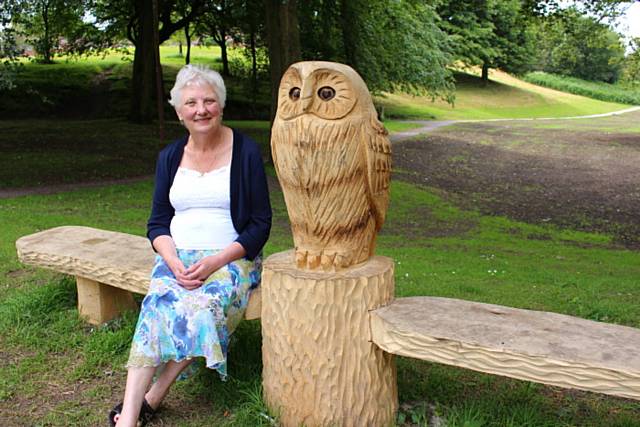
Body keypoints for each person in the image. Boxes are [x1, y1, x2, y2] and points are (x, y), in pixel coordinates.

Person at [109, 64, 272, 427]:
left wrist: (216, 261)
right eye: (192, 103)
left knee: (199, 309)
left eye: (209, 101)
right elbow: (157, 221)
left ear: (221, 105)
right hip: (176, 258)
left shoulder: (244, 152)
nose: (201, 109)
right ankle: (130, 418)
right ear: (180, 111)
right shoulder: (169, 156)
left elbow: (261, 224)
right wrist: (172, 261)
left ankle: (155, 395)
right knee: (155, 310)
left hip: (231, 257)